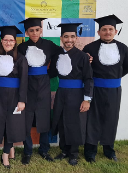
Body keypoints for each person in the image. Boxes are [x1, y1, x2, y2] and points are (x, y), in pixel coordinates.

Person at [83, 14, 128, 162]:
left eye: (110, 29)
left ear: (115, 31)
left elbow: (126, 67)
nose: (107, 32)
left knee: (111, 119)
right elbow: (85, 69)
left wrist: (114, 79)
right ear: (98, 32)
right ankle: (90, 151)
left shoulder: (123, 48)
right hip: (95, 89)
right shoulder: (89, 48)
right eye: (104, 29)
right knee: (93, 120)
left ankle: (109, 150)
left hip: (114, 90)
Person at [49, 23, 94, 166]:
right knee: (61, 120)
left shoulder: (82, 56)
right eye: (66, 36)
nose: (69, 39)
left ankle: (73, 153)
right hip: (61, 92)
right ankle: (64, 150)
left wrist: (87, 99)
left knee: (75, 123)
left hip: (77, 93)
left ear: (76, 38)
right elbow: (52, 73)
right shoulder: (57, 55)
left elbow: (88, 79)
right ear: (61, 38)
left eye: (72, 37)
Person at [17, 18, 60, 164]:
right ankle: (27, 151)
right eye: (31, 30)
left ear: (41, 30)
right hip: (27, 86)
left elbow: (62, 54)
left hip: (43, 86)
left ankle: (44, 150)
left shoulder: (49, 45)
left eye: (37, 30)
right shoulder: (21, 47)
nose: (34, 33)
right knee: (26, 121)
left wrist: (51, 72)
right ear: (26, 32)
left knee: (44, 119)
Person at [0, 26, 28, 169]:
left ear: (15, 42)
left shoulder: (21, 59)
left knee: (12, 124)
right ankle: (11, 148)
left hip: (14, 96)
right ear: (1, 41)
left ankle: (5, 154)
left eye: (11, 40)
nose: (8, 42)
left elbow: (24, 81)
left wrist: (22, 100)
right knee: (1, 123)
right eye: (5, 40)